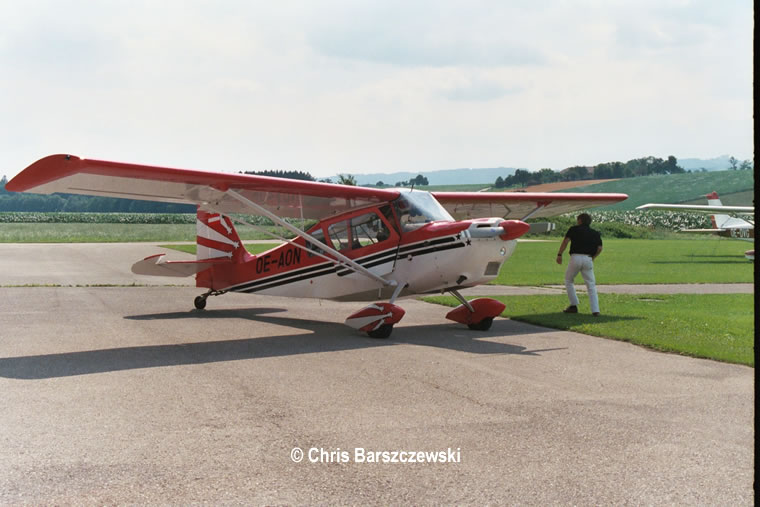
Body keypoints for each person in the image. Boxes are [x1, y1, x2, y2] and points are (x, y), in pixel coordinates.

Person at [555, 213, 603, 316]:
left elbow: (565, 241)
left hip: (575, 257)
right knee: (591, 285)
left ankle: (573, 305)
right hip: (588, 258)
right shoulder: (595, 233)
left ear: (580, 220)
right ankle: (595, 310)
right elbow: (599, 248)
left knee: (568, 280)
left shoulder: (573, 229)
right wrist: (593, 257)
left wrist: (559, 254)